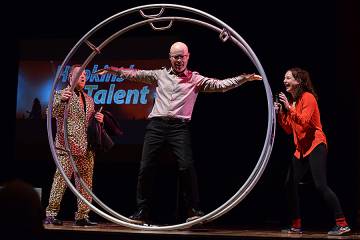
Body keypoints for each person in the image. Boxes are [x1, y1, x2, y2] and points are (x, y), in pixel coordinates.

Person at [97, 41, 262, 224]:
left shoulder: (195, 79)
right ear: (170, 58)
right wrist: (111, 69)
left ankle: (193, 209)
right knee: (146, 167)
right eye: (176, 57)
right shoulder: (159, 75)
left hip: (179, 128)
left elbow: (221, 85)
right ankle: (142, 211)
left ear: (188, 56)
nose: (179, 60)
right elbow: (135, 74)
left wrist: (244, 78)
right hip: (156, 126)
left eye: (182, 56)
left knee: (186, 166)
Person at [275, 67, 351, 236]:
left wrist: (289, 107)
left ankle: (342, 223)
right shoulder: (293, 102)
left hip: (315, 145)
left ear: (298, 81)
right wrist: (282, 113)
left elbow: (304, 122)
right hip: (300, 149)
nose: (284, 81)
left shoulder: (308, 98)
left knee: (320, 185)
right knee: (289, 185)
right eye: (284, 78)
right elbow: (289, 129)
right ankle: (296, 224)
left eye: (288, 78)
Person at [44, 64, 104, 226]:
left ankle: (82, 216)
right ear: (70, 77)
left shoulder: (89, 99)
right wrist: (62, 100)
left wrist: (98, 120)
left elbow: (89, 123)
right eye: (79, 74)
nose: (83, 77)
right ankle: (51, 214)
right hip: (66, 147)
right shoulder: (61, 94)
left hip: (86, 148)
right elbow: (50, 113)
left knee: (85, 183)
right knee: (61, 181)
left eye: (85, 74)